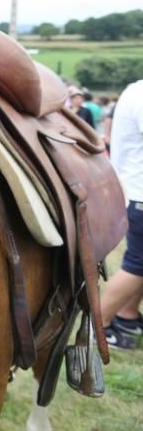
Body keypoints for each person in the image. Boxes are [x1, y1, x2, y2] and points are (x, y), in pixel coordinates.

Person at [100, 78, 143, 350]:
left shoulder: (135, 89)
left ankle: (127, 317)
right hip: (140, 193)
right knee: (137, 264)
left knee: (139, 263)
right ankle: (98, 325)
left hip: (135, 191)